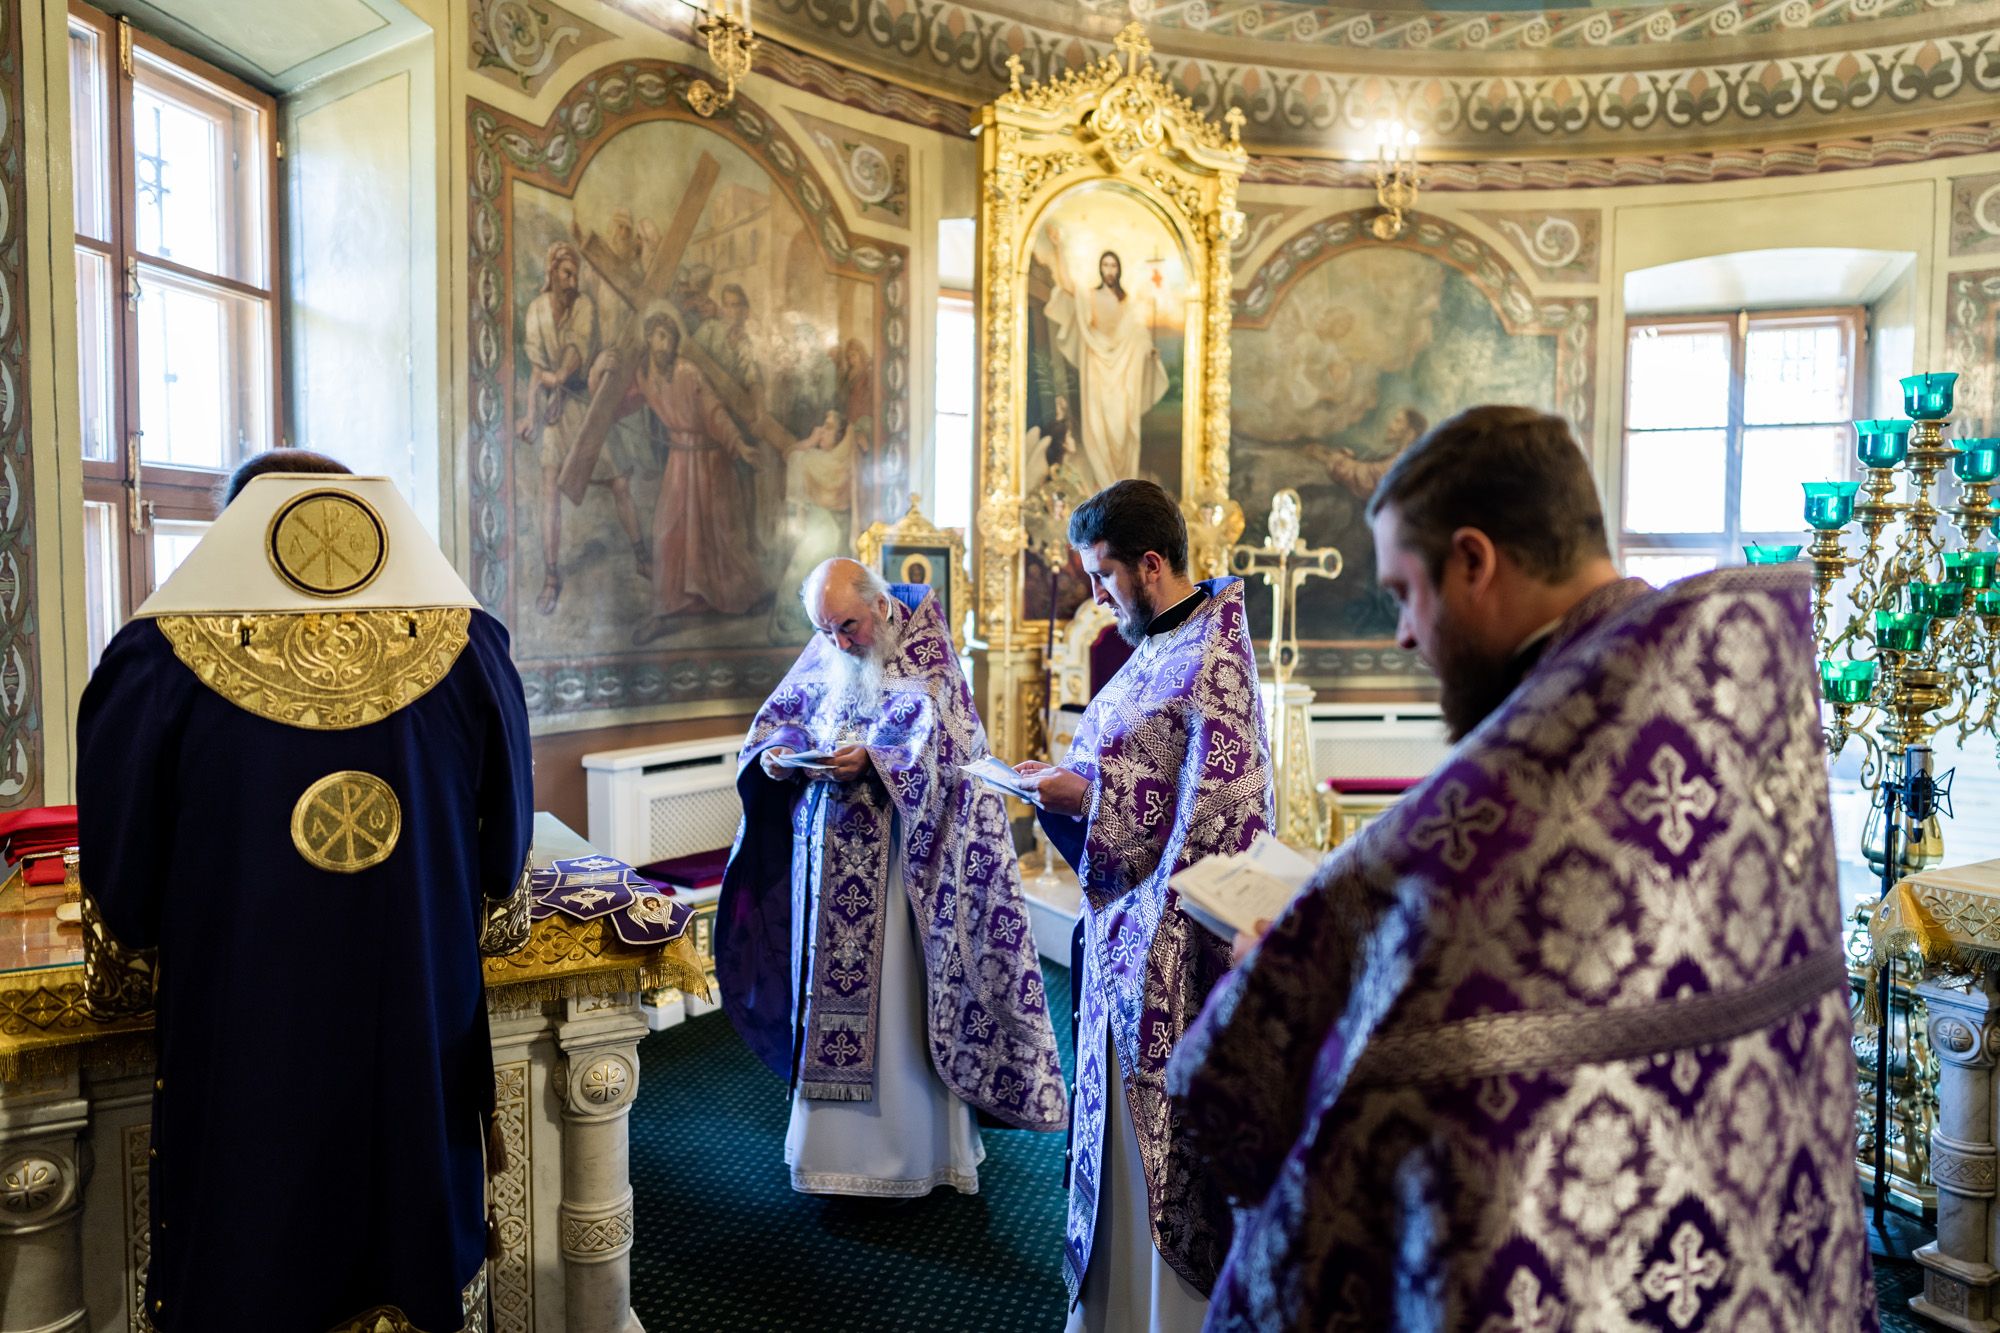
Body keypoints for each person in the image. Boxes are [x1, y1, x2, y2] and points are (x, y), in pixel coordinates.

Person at [1167, 405, 1876, 1330]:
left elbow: (1232, 1091)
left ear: (1474, 561)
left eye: (1403, 592)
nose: (1403, 638)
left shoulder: (1495, 815)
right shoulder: (1731, 702)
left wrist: (1290, 961)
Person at [78, 457, 534, 1332]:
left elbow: (123, 896)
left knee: (250, 1231)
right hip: (416, 1029)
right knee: (409, 1222)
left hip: (242, 1037)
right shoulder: (470, 645)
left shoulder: (157, 659)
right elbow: (502, 872)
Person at [1012, 479, 1274, 1333]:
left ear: (1151, 565)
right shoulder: (1159, 645)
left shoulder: (1213, 659)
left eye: (1102, 576)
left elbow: (1219, 826)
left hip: (1168, 959)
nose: (1095, 595)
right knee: (1117, 1150)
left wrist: (1087, 798)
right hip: (1119, 933)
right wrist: (1067, 785)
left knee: (1160, 1155)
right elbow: (1132, 775)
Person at [718, 558, 1068, 1197]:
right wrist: (775, 754)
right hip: (827, 865)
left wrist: (875, 761)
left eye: (847, 627)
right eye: (825, 631)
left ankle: (913, 1155)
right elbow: (787, 712)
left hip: (904, 875)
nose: (838, 643)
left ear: (878, 607)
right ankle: (831, 1155)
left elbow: (949, 756)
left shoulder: (928, 656)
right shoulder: (830, 642)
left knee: (896, 1008)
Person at [601, 308, 768, 642]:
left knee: (718, 534)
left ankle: (742, 597)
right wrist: (600, 374)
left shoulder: (688, 372)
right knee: (667, 532)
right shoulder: (644, 376)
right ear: (649, 338)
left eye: (672, 338)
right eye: (661, 336)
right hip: (681, 460)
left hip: (710, 460)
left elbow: (714, 412)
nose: (667, 344)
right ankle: (663, 611)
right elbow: (614, 404)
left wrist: (738, 445)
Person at [519, 239, 646, 614]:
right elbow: (535, 372)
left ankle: (642, 555)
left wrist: (558, 376)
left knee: (619, 483)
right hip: (556, 414)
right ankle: (552, 576)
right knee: (549, 490)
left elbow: (575, 352)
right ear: (552, 273)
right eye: (566, 272)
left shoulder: (584, 307)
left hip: (583, 402)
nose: (572, 279)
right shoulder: (537, 311)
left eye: (575, 272)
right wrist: (530, 413)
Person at [1036, 226, 1169, 495]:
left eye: (1113, 265)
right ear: (1101, 268)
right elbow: (1066, 284)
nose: (1109, 270)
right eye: (1105, 265)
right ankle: (1103, 488)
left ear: (1118, 270)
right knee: (1098, 429)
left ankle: (1123, 489)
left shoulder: (1127, 303)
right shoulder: (1090, 297)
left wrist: (1148, 352)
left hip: (1124, 375)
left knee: (1123, 432)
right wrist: (1058, 247)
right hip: (1097, 369)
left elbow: (1138, 335)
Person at [1311, 406, 1427, 500]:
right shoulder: (1398, 457)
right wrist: (1331, 453)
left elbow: (1361, 475)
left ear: (1410, 433)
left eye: (1398, 421)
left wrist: (1325, 457)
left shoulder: (1400, 463)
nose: (1390, 426)